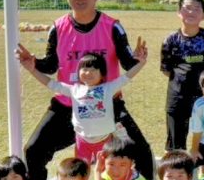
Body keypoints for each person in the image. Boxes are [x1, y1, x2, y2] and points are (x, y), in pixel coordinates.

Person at [17, 0, 153, 180]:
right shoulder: (58, 27)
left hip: (106, 105)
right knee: (34, 149)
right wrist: (34, 63)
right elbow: (50, 65)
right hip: (68, 104)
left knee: (139, 149)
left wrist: (137, 58)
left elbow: (128, 62)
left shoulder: (112, 26)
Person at [18, 38, 148, 164]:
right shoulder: (74, 90)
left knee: (104, 173)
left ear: (102, 74)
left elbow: (127, 77)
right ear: (78, 72)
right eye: (84, 69)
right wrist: (32, 70)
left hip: (105, 141)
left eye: (93, 69)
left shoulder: (108, 88)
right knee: (81, 171)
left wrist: (141, 63)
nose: (88, 72)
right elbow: (50, 83)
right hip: (82, 142)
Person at [161, 0, 204, 151]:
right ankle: (177, 172)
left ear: (203, 15)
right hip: (177, 96)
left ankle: (203, 175)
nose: (191, 12)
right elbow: (166, 69)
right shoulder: (170, 40)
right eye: (187, 8)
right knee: (176, 143)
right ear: (179, 12)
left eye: (197, 9)